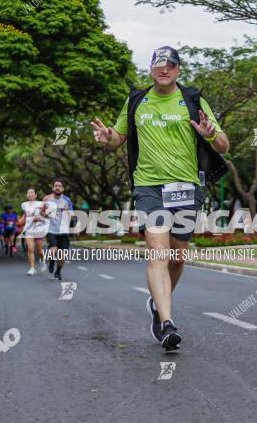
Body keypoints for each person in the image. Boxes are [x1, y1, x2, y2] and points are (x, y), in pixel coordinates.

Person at [91, 46, 229, 351]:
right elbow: (117, 141)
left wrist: (209, 133)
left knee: (177, 256)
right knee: (158, 251)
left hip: (186, 187)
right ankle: (167, 323)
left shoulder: (193, 100)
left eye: (170, 66)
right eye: (158, 66)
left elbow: (223, 145)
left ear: (178, 70)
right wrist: (107, 138)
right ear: (151, 69)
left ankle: (157, 302)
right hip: (148, 187)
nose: (163, 70)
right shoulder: (137, 101)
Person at [43, 179, 74, 280]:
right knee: (53, 250)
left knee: (62, 255)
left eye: (60, 186)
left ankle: (58, 271)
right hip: (51, 229)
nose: (57, 187)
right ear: (53, 188)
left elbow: (71, 215)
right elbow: (41, 213)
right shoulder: (47, 199)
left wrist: (68, 214)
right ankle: (51, 262)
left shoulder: (67, 200)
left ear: (63, 188)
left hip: (63, 231)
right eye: (56, 186)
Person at [18, 188, 49, 275]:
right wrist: (21, 220)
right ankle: (32, 268)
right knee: (30, 248)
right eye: (28, 193)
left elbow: (45, 213)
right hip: (29, 230)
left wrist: (41, 215)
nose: (30, 194)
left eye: (32, 193)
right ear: (26, 196)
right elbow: (25, 214)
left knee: (39, 251)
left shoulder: (40, 203)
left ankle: (42, 261)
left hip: (38, 229)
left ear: (35, 195)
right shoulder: (24, 204)